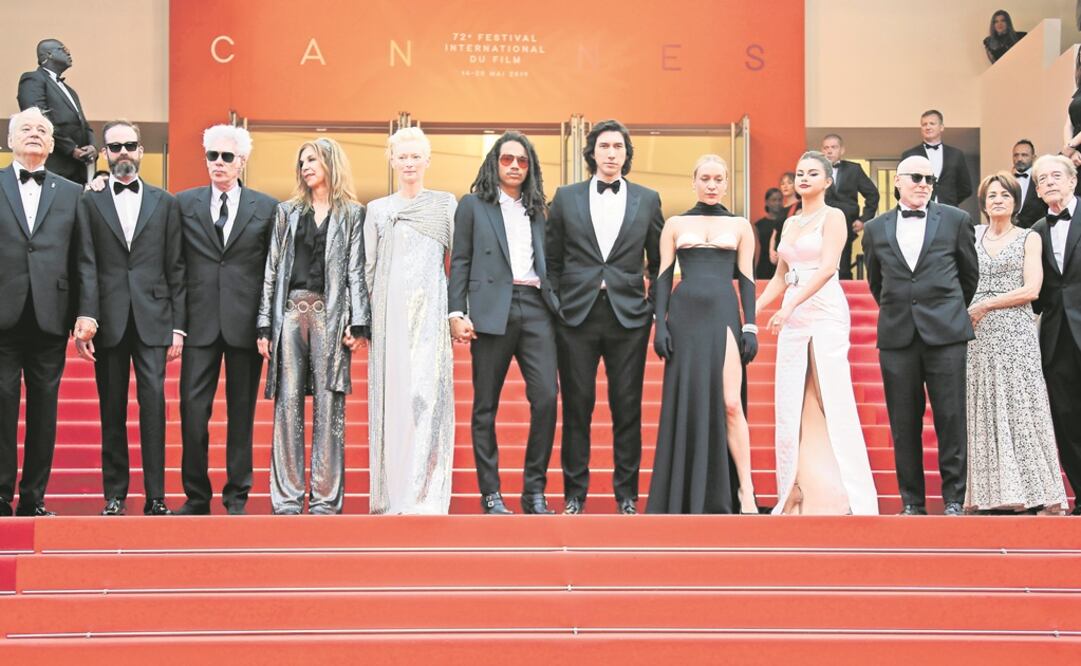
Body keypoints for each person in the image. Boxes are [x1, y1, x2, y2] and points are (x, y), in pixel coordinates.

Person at [546, 119, 664, 515]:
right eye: (604, 146)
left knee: (627, 406)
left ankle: (626, 494)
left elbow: (660, 261)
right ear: (592, 152)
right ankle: (574, 495)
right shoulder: (566, 197)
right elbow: (552, 259)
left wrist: (651, 307)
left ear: (627, 153)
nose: (611, 153)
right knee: (577, 406)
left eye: (618, 147)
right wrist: (558, 303)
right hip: (576, 315)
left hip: (628, 317)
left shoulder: (648, 199)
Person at [755, 152, 879, 515]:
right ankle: (798, 491)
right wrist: (753, 310)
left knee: (831, 397)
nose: (804, 178)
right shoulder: (790, 224)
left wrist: (790, 306)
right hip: (793, 314)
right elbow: (780, 276)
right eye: (799, 173)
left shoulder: (835, 216)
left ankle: (852, 496)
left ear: (827, 181)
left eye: (813, 173)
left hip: (823, 310)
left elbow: (827, 269)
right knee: (793, 401)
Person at [75, 120, 186, 516]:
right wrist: (87, 315)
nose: (123, 152)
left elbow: (176, 266)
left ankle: (156, 496)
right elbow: (85, 262)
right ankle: (115, 493)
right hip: (109, 318)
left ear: (142, 150)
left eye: (130, 145)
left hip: (154, 317)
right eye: (115, 146)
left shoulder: (166, 202)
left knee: (153, 405)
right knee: (112, 408)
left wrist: (178, 325)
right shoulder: (89, 201)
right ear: (105, 153)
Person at [448, 131, 559, 515]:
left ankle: (534, 492)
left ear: (531, 168)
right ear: (494, 163)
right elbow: (459, 260)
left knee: (546, 397)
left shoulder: (540, 209)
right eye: (507, 159)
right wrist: (455, 313)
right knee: (485, 405)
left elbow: (553, 261)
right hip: (490, 308)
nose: (514, 166)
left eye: (522, 161)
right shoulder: (473, 206)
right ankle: (491, 492)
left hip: (536, 307)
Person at [256, 138, 368, 515]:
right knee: (287, 406)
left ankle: (325, 500)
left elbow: (356, 271)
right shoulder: (286, 212)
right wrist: (264, 326)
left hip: (330, 316)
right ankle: (286, 498)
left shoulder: (353, 213)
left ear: (331, 163)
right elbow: (272, 271)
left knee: (329, 406)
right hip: (289, 314)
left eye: (313, 159)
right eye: (301, 161)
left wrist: (359, 321)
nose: (305, 166)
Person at [863, 155, 979, 516]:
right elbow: (875, 281)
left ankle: (954, 499)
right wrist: (903, 311)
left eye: (930, 179)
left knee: (950, 417)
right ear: (897, 182)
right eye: (916, 177)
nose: (924, 184)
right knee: (903, 421)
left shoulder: (957, 221)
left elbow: (968, 277)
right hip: (898, 336)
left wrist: (946, 311)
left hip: (946, 334)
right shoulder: (876, 228)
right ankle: (912, 500)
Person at [646, 155, 759, 514]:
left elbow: (747, 280)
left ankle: (747, 492)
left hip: (724, 315)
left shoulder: (741, 225)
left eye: (718, 179)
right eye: (705, 178)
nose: (711, 185)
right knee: (688, 402)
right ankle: (685, 493)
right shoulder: (675, 223)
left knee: (730, 402)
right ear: (693, 182)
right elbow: (662, 276)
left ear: (727, 183)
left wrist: (751, 325)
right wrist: (659, 324)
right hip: (685, 317)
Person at [175, 125, 278, 515]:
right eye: (212, 156)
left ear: (242, 162)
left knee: (241, 414)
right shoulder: (182, 203)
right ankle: (196, 496)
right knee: (193, 409)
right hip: (198, 323)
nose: (218, 163)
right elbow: (174, 262)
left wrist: (267, 325)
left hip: (245, 325)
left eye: (226, 157)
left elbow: (272, 269)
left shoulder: (266, 207)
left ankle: (237, 495)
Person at [365, 128, 457, 515]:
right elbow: (367, 266)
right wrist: (366, 319)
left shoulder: (446, 205)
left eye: (415, 156)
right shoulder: (377, 209)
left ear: (427, 161)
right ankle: (393, 494)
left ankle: (426, 493)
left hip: (432, 311)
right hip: (389, 314)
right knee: (393, 399)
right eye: (402, 156)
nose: (408, 163)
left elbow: (459, 261)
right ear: (391, 160)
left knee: (427, 397)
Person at [965, 172, 1066, 514]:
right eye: (991, 195)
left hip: (1015, 332)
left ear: (1015, 202)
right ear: (983, 201)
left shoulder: (1029, 237)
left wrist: (985, 305)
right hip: (977, 335)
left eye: (1005, 195)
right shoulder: (972, 235)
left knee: (1022, 408)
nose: (997, 200)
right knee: (984, 408)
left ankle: (1035, 492)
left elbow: (1032, 289)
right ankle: (988, 495)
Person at [0, 108, 83, 517]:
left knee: (44, 410)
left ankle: (33, 498)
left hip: (52, 314)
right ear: (10, 140)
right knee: (1, 406)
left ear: (52, 146)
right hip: (2, 315)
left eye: (42, 132)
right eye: (26, 129)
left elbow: (82, 258)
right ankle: (0, 496)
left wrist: (86, 312)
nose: (34, 135)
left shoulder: (71, 192)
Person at [1031, 154, 1081, 514]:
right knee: (1065, 417)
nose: (1049, 182)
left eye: (1054, 176)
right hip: (1056, 335)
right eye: (1041, 179)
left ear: (1072, 181)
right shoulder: (1035, 231)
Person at [17, 39, 95, 185]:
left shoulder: (70, 91)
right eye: (63, 49)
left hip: (78, 171)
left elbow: (83, 124)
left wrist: (93, 146)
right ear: (49, 54)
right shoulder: (33, 79)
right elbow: (39, 119)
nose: (69, 53)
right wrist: (71, 149)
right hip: (54, 167)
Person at [822, 134, 880, 279]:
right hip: (821, 220)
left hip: (846, 221)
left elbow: (872, 194)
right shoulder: (815, 170)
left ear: (842, 150)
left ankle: (844, 293)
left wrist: (864, 219)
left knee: (843, 263)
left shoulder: (854, 169)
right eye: (826, 148)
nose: (829, 151)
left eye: (833, 147)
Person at [901, 110, 973, 207]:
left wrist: (950, 199)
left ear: (941, 127)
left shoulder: (956, 154)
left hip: (949, 210)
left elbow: (966, 188)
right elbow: (901, 186)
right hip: (919, 209)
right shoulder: (910, 155)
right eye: (924, 124)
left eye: (932, 123)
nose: (928, 127)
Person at [1012, 140, 1048, 228]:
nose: (1019, 159)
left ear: (1033, 157)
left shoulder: (1042, 179)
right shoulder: (1007, 180)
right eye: (1016, 155)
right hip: (1010, 233)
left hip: (1037, 232)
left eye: (1024, 155)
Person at [754, 188, 784, 279]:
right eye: (774, 200)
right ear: (767, 202)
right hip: (763, 268)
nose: (777, 203)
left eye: (780, 200)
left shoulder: (787, 222)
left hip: (782, 266)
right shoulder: (759, 225)